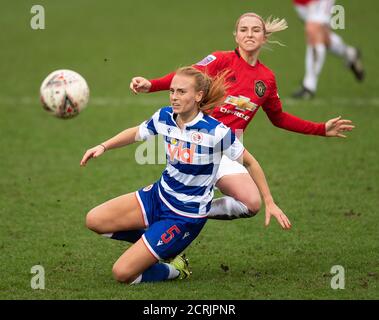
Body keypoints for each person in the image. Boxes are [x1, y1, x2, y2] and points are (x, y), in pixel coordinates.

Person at [128, 12, 355, 222]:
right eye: (244, 29)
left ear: (264, 37)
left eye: (256, 30)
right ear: (236, 36)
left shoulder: (266, 79)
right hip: (199, 145)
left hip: (228, 148)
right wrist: (152, 85)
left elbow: (279, 118)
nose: (249, 34)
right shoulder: (220, 60)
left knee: (251, 203)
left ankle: (194, 209)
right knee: (180, 196)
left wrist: (320, 129)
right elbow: (184, 77)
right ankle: (170, 208)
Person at [80, 66, 291, 284]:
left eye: (181, 92)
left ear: (198, 96)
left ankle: (176, 270)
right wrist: (103, 146)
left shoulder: (216, 132)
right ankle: (159, 247)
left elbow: (250, 162)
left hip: (184, 217)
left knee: (123, 273)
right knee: (94, 220)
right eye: (172, 91)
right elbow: (136, 132)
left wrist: (269, 201)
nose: (174, 97)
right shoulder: (164, 117)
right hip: (157, 196)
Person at [292, 0, 365, 99]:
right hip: (301, 3)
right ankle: (349, 53)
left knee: (313, 29)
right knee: (322, 37)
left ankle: (309, 86)